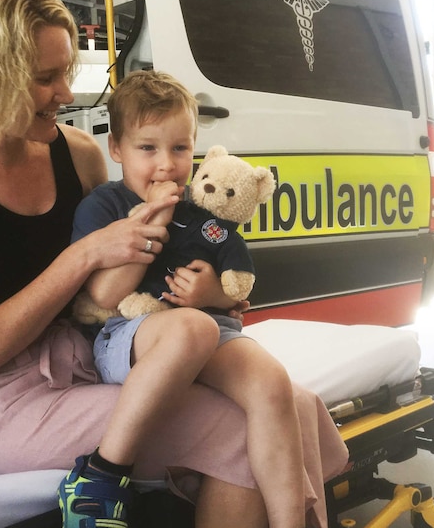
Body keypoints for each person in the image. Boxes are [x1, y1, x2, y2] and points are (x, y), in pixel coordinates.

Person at [0, 0, 347, 528]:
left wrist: (207, 295)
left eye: (66, 72)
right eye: (46, 78)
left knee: (288, 403)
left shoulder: (74, 152)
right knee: (242, 430)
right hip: (19, 403)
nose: (65, 94)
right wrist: (85, 255)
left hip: (102, 360)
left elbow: (132, 278)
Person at [71, 70, 305, 528]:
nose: (166, 165)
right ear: (115, 149)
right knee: (191, 328)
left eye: (180, 148)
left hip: (204, 328)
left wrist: (212, 292)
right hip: (128, 336)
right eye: (147, 148)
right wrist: (154, 220)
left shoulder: (203, 209)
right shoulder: (105, 206)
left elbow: (231, 280)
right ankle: (104, 472)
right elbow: (105, 293)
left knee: (273, 385)